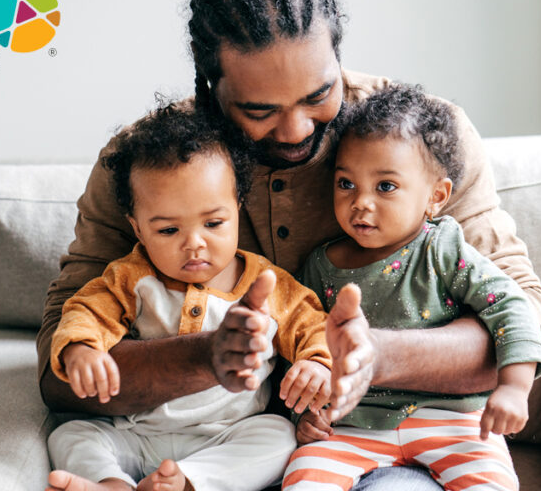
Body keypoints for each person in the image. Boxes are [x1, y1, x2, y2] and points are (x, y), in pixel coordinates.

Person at [38, 0, 541, 488]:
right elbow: (57, 376)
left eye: (318, 95)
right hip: (216, 438)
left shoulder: (416, 142)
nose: (294, 129)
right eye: (260, 110)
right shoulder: (146, 166)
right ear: (211, 87)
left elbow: (523, 314)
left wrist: (373, 355)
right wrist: (207, 356)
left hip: (380, 431)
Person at [46, 104, 335, 491]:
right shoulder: (129, 277)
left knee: (278, 435)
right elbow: (85, 311)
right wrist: (81, 349)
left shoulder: (267, 282)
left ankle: (191, 483)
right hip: (136, 432)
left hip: (227, 435)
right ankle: (111, 483)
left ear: (238, 207)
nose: (194, 244)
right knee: (70, 435)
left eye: (213, 223)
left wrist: (317, 364)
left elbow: (312, 323)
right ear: (136, 227)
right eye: (168, 230)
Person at [281, 85, 541, 491]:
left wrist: (514, 388)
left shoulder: (443, 248)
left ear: (435, 197)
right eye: (345, 184)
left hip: (451, 420)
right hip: (353, 423)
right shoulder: (319, 266)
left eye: (385, 187)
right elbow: (299, 342)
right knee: (303, 479)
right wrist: (306, 413)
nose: (361, 203)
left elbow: (509, 306)